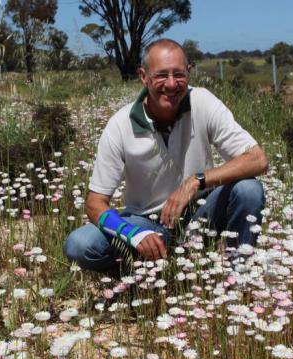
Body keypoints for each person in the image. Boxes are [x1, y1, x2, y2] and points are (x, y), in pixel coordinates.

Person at [64, 38, 268, 273]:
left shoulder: (202, 101)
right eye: (161, 75)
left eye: (178, 74)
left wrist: (196, 181)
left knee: (249, 190)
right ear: (143, 76)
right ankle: (142, 270)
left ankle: (239, 276)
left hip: (203, 211)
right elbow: (94, 204)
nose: (171, 84)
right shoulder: (120, 125)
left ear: (189, 72)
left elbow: (257, 159)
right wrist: (132, 234)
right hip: (146, 222)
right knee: (79, 244)